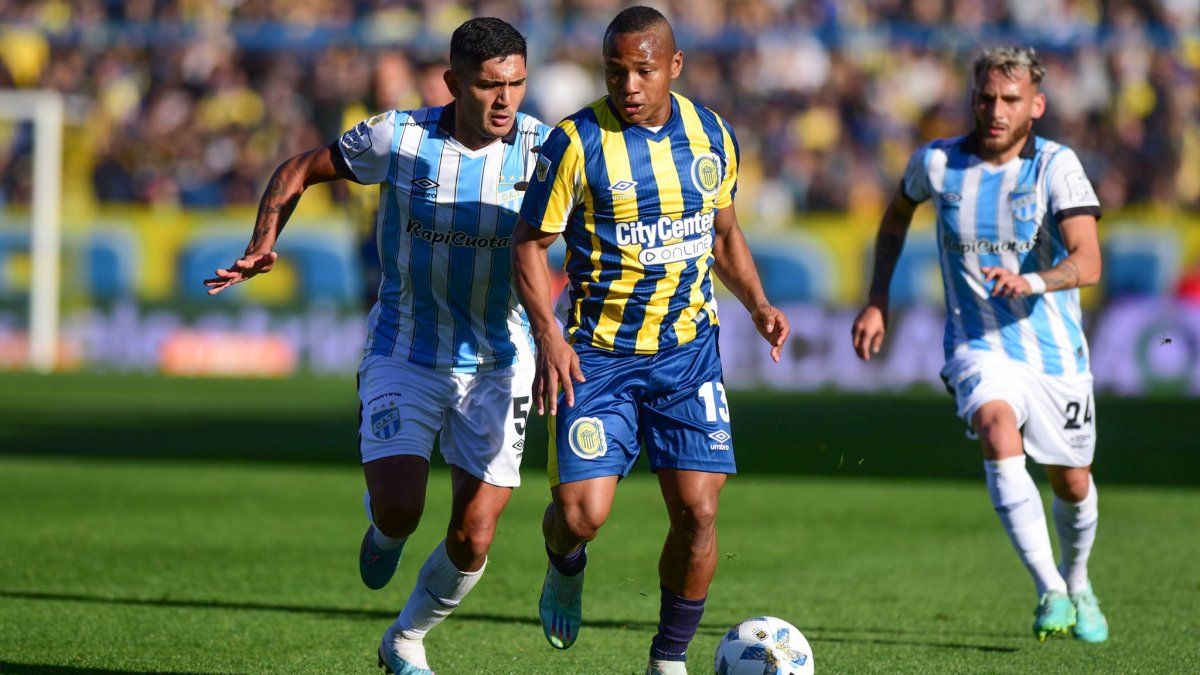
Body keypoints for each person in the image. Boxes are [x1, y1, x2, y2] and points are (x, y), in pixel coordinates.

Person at [204, 18, 550, 674]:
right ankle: (384, 528)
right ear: (454, 83)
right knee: (399, 510)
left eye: (516, 83)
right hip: (405, 347)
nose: (505, 99)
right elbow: (301, 168)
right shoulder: (401, 136)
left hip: (500, 359)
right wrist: (263, 242)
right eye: (488, 85)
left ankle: (405, 637)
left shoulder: (546, 150)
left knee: (474, 536)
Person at [511, 7, 790, 673]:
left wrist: (757, 303)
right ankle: (565, 562)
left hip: (687, 355)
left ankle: (668, 658)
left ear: (674, 66)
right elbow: (529, 244)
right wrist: (549, 334)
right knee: (580, 516)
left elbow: (723, 233)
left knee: (698, 512)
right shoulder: (575, 142)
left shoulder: (712, 135)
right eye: (615, 72)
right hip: (596, 357)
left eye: (642, 70)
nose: (629, 86)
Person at [851, 46, 1107, 643]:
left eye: (1011, 100)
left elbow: (1089, 260)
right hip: (977, 343)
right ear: (973, 98)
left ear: (1036, 105)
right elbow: (896, 215)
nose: (996, 110)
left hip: (1054, 351)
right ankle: (1049, 588)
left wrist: (1032, 281)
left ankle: (1078, 580)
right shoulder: (937, 162)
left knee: (1072, 481)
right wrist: (877, 297)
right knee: (996, 428)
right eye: (987, 98)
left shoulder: (1056, 166)